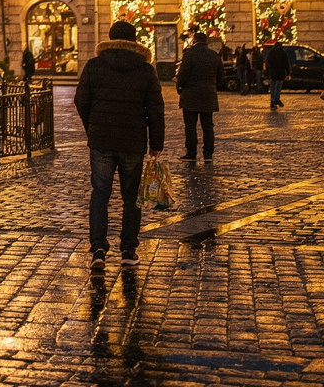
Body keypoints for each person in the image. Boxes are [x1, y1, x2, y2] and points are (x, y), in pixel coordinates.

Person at [74, 21, 165, 269]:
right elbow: (155, 109)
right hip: (133, 142)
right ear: (134, 40)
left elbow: (80, 100)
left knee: (100, 194)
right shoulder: (146, 70)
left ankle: (99, 250)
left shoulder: (94, 65)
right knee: (131, 197)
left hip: (101, 140)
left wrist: (92, 126)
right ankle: (128, 250)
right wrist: (156, 143)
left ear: (110, 37)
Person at [175, 30, 221, 161]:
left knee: (190, 126)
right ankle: (208, 154)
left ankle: (191, 153)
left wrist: (179, 87)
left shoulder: (189, 54)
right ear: (206, 42)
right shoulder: (213, 55)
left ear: (194, 40)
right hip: (208, 94)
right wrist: (212, 85)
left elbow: (183, 74)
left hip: (191, 94)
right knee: (208, 126)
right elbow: (221, 74)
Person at [265, 38, 292, 110]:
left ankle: (273, 102)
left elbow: (268, 63)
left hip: (274, 74)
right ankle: (276, 100)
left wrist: (267, 73)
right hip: (279, 74)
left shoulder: (271, 53)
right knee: (277, 89)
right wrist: (288, 72)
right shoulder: (282, 53)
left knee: (274, 89)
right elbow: (286, 63)